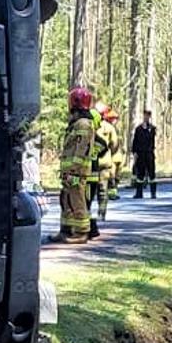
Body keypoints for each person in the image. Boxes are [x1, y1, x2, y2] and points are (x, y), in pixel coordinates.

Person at [54, 88, 96, 244]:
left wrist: (74, 169)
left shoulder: (84, 124)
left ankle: (82, 232)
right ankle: (66, 229)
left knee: (77, 198)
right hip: (69, 171)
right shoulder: (76, 123)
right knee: (66, 198)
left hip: (76, 171)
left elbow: (82, 149)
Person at [89, 106, 121, 238]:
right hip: (100, 163)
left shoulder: (107, 128)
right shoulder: (99, 126)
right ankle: (100, 212)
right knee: (101, 189)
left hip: (100, 163)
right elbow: (114, 145)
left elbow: (114, 144)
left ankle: (101, 211)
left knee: (99, 189)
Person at [130, 109, 158, 199]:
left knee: (152, 174)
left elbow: (151, 138)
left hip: (149, 153)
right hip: (140, 154)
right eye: (145, 115)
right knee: (140, 174)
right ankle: (139, 193)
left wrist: (148, 129)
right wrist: (134, 152)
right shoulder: (138, 129)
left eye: (148, 115)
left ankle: (153, 193)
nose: (146, 117)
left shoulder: (152, 129)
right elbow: (135, 141)